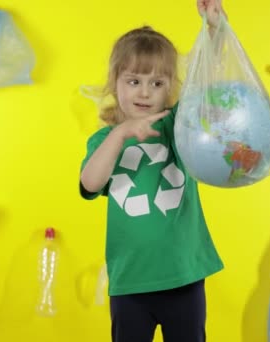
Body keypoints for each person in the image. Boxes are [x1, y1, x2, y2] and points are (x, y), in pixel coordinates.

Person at [80, 1, 226, 341]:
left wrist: (215, 29)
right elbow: (90, 182)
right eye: (133, 81)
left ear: (169, 87)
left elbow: (208, 76)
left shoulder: (180, 124)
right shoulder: (104, 140)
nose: (145, 92)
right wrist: (120, 133)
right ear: (114, 83)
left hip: (184, 277)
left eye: (157, 83)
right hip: (130, 281)